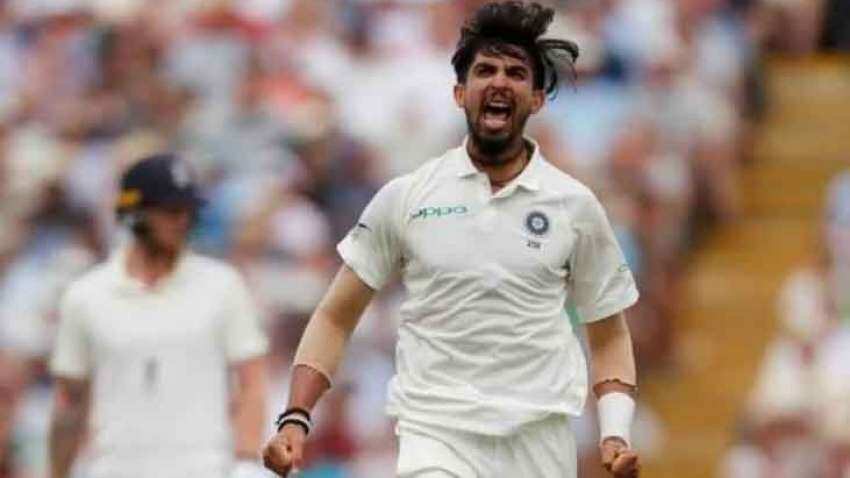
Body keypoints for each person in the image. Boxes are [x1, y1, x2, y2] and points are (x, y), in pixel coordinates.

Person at [263, 2, 641, 477]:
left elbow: (609, 333)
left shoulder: (574, 205)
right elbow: (336, 315)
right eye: (485, 70)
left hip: (539, 442)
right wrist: (295, 417)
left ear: (537, 99)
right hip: (436, 436)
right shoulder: (407, 197)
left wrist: (614, 432)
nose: (499, 82)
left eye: (516, 73)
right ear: (460, 93)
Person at [48, 154, 270, 478]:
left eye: (188, 211)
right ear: (134, 212)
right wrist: (57, 472)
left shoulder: (223, 286)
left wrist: (247, 461)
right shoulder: (86, 296)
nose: (183, 221)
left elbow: (251, 383)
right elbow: (70, 400)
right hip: (115, 470)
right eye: (170, 211)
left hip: (205, 469)